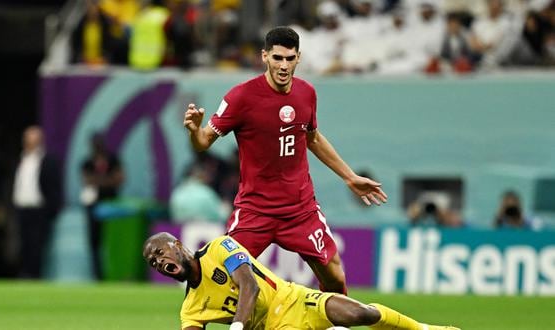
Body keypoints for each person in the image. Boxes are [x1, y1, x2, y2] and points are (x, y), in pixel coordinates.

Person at [183, 26, 387, 294]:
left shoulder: (306, 93)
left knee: (335, 277)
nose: (283, 66)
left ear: (298, 58)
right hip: (255, 210)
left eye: (290, 59)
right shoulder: (241, 97)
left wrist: (349, 176)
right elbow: (203, 142)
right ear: (264, 56)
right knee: (217, 276)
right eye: (277, 58)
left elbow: (312, 138)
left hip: (300, 210)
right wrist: (195, 131)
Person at [143, 232, 460, 329]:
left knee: (360, 314)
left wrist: (237, 327)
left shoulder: (218, 247)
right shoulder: (191, 309)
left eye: (160, 252)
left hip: (293, 299)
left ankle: (426, 329)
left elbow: (249, 285)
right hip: (270, 328)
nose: (158, 261)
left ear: (179, 247)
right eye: (153, 262)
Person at [12, 126, 63, 278]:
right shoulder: (21, 159)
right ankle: (25, 273)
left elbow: (54, 186)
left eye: (32, 138)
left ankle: (34, 275)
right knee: (24, 243)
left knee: (37, 245)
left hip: (39, 210)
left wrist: (52, 210)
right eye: (27, 138)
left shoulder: (48, 161)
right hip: (22, 209)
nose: (28, 141)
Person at [81, 132, 124, 280]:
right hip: (93, 206)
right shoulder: (88, 162)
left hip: (111, 206)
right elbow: (87, 180)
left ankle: (114, 272)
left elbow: (119, 179)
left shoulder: (113, 159)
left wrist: (99, 181)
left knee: (112, 240)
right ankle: (97, 274)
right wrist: (108, 180)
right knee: (94, 241)